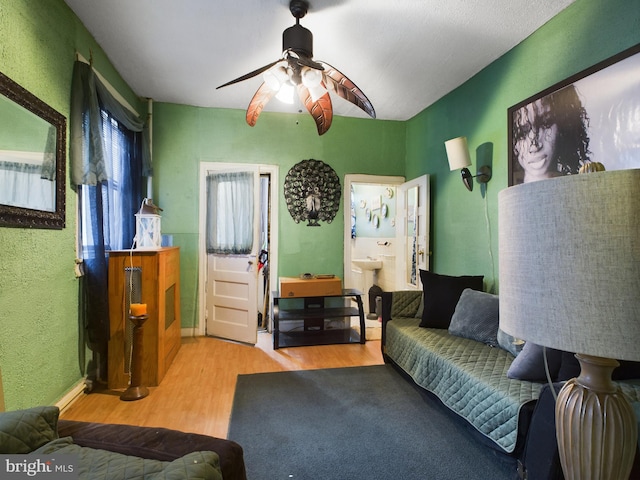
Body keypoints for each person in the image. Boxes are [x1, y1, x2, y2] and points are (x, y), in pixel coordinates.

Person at [512, 84, 591, 183]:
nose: (535, 146)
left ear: (563, 126)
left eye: (546, 123)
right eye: (522, 132)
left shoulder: (576, 188)